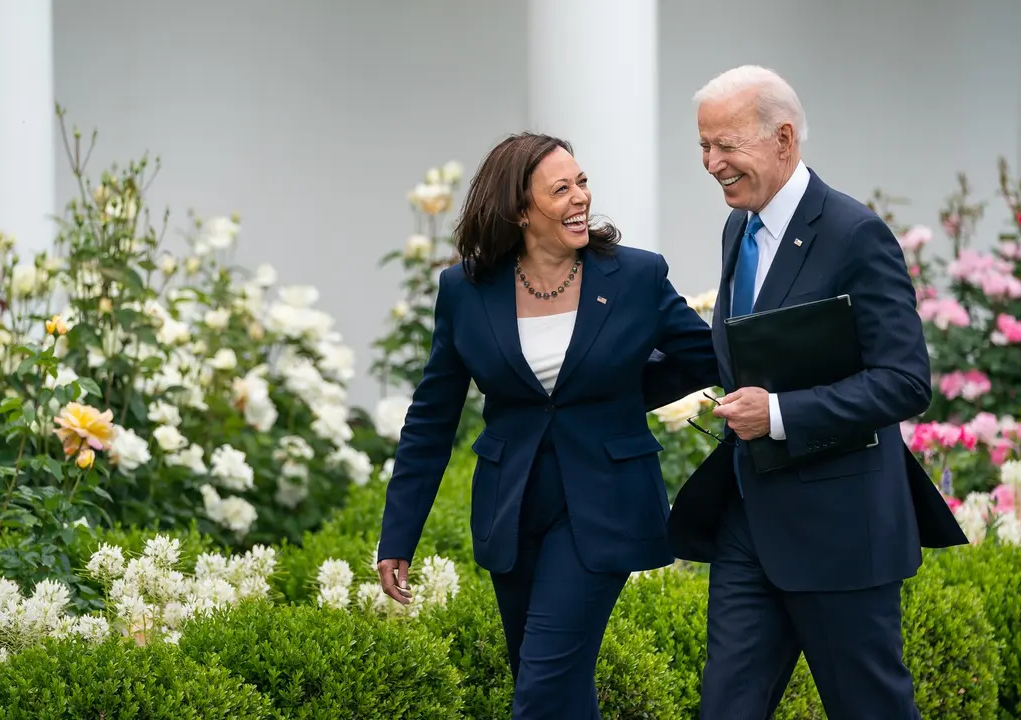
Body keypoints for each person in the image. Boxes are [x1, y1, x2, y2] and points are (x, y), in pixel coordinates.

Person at [662, 66, 969, 719]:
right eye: (703, 147)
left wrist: (778, 414)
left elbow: (905, 380)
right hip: (749, 523)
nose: (712, 162)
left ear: (784, 139)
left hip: (841, 531)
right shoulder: (737, 228)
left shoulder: (854, 233)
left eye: (726, 146)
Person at [376, 132, 718, 719]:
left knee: (542, 685)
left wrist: (618, 397)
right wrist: (398, 534)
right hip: (512, 507)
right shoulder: (465, 289)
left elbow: (705, 357)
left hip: (604, 504)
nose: (580, 198)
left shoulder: (634, 276)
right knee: (554, 685)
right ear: (519, 209)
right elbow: (432, 417)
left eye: (581, 182)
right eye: (561, 189)